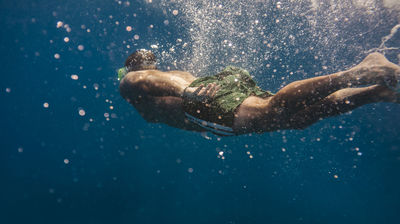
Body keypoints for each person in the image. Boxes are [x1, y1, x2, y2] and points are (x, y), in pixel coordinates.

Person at [118, 49, 400, 136]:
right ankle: (376, 92)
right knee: (297, 116)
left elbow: (143, 80)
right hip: (211, 95)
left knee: (275, 110)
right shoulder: (169, 74)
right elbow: (155, 79)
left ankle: (360, 73)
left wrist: (188, 92)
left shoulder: (130, 82)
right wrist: (190, 90)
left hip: (200, 103)